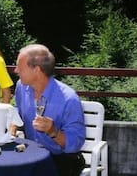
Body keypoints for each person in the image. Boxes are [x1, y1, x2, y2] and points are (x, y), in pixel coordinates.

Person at [12, 44, 86, 176]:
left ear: (37, 70)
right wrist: (12, 129)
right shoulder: (21, 87)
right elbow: (17, 111)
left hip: (60, 160)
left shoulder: (69, 99)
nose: (15, 70)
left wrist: (54, 132)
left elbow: (75, 144)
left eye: (20, 67)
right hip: (31, 155)